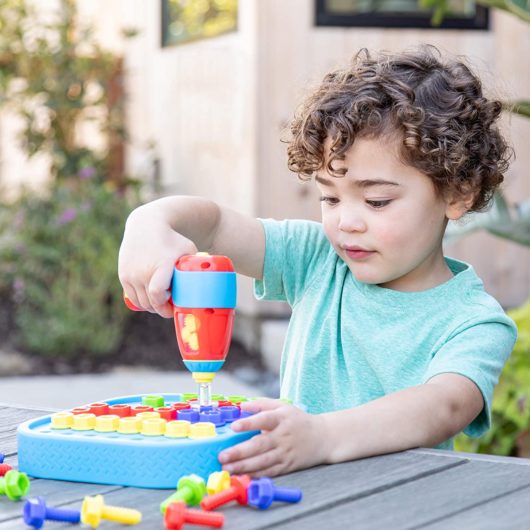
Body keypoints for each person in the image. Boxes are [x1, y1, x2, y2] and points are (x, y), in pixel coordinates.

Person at [118, 45, 517, 477]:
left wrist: (322, 437)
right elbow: (213, 227)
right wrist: (150, 220)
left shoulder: (473, 321)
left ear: (459, 192)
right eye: (329, 196)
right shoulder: (316, 260)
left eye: (377, 201)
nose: (346, 222)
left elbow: (444, 405)